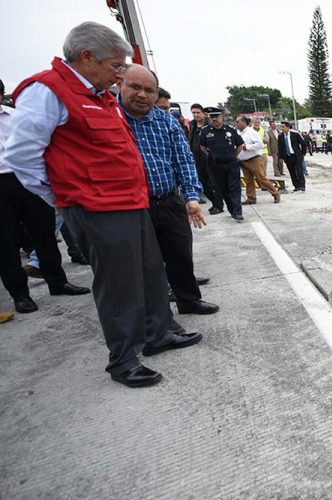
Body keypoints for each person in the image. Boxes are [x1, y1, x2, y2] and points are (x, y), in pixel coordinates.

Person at [4, 22, 200, 387]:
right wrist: (63, 197)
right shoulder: (48, 91)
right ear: (87, 56)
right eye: (115, 66)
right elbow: (21, 156)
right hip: (97, 207)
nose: (119, 74)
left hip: (130, 201)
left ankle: (158, 334)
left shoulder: (102, 97)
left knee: (151, 271)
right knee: (119, 284)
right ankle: (124, 359)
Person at [118, 64, 219, 315]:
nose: (142, 94)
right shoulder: (111, 118)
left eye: (149, 90)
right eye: (135, 87)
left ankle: (188, 300)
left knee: (180, 253)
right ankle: (158, 316)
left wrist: (191, 197)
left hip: (169, 199)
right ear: (120, 85)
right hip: (134, 205)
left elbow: (183, 160)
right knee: (146, 264)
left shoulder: (166, 121)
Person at [1, 77, 91, 313]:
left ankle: (57, 281)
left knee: (45, 232)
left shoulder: (14, 116)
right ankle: (20, 294)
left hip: (27, 179)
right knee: (6, 242)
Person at [199, 107, 245, 221]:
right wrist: (212, 155)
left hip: (231, 163)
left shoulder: (230, 130)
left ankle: (237, 212)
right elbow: (202, 147)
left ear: (222, 117)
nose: (215, 119)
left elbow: (240, 145)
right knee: (223, 189)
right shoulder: (206, 131)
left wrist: (233, 155)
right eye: (212, 117)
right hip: (216, 165)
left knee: (235, 188)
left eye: (217, 116)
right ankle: (232, 210)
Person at [236, 116, 280, 205]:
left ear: (244, 123)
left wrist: (247, 147)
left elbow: (260, 144)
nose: (236, 123)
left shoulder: (251, 132)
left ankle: (275, 193)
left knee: (261, 178)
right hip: (243, 161)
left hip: (254, 159)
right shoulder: (238, 133)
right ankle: (251, 198)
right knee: (248, 181)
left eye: (238, 122)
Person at [189, 103, 220, 208]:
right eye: (193, 113)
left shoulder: (210, 125)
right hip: (196, 158)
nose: (195, 115)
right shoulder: (192, 124)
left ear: (203, 113)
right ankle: (215, 203)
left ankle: (218, 204)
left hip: (208, 158)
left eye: (198, 112)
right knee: (203, 183)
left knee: (213, 183)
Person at [277, 121, 307, 192]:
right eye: (281, 127)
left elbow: (303, 144)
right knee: (292, 172)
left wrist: (302, 153)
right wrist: (281, 157)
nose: (282, 128)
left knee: (299, 171)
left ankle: (302, 186)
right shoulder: (280, 136)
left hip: (296, 156)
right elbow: (280, 147)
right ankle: (296, 186)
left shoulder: (295, 134)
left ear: (287, 127)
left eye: (283, 127)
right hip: (288, 157)